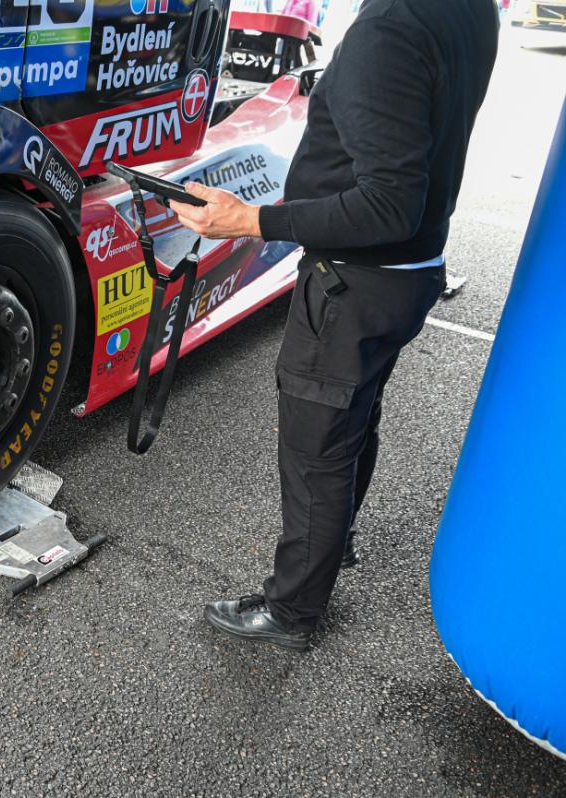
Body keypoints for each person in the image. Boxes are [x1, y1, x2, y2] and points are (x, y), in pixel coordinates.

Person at [169, 0, 499, 650]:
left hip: (357, 282)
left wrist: (250, 221)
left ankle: (292, 609)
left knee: (316, 445)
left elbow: (387, 205)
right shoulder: (471, 9)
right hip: (407, 273)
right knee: (352, 418)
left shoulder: (390, 27)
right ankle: (333, 539)